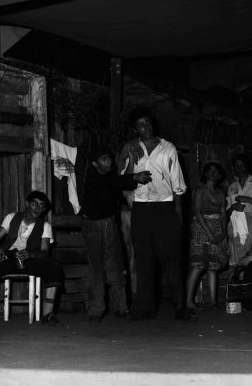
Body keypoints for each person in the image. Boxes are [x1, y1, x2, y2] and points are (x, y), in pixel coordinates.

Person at [120, 107, 189, 321]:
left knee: (171, 259)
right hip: (141, 208)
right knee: (143, 260)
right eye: (141, 125)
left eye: (148, 122)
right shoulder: (130, 148)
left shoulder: (168, 148)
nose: (146, 127)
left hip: (165, 207)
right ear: (135, 129)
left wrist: (178, 212)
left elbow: (178, 183)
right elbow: (122, 180)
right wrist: (131, 163)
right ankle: (146, 308)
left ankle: (180, 306)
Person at [0, 191, 63, 327]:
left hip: (30, 260)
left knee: (53, 266)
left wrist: (30, 254)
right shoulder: (12, 217)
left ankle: (47, 314)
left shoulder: (45, 226)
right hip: (8, 258)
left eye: (41, 206)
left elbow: (44, 252)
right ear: (27, 204)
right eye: (34, 203)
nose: (37, 208)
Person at [80, 144, 151, 323]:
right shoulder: (91, 177)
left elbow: (121, 182)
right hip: (92, 226)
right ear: (95, 163)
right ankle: (96, 310)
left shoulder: (110, 176)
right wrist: (134, 177)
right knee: (97, 268)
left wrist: (132, 170)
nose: (109, 161)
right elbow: (115, 182)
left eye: (109, 158)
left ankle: (121, 307)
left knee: (116, 267)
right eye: (104, 159)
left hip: (110, 223)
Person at [185, 162, 229, 316]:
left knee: (213, 266)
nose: (212, 173)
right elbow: (197, 211)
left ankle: (213, 302)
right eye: (209, 170)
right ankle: (189, 302)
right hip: (201, 228)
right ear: (205, 174)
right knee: (198, 265)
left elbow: (223, 214)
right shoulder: (200, 190)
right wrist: (209, 233)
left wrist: (223, 232)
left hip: (216, 227)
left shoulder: (220, 192)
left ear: (220, 175)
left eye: (215, 171)